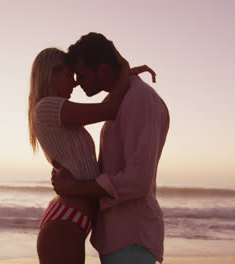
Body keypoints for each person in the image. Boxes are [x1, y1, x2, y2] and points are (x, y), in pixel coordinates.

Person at [51, 32, 170, 264]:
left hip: (131, 238)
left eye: (82, 75)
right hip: (119, 235)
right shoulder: (123, 98)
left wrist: (74, 187)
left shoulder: (139, 99)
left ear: (103, 70)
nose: (77, 82)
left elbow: (138, 180)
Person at [29, 47, 155, 264]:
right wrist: (124, 67)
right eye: (70, 76)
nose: (75, 84)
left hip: (70, 220)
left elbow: (108, 104)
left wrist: (124, 75)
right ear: (51, 74)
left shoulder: (58, 112)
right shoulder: (47, 108)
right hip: (64, 223)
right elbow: (112, 109)